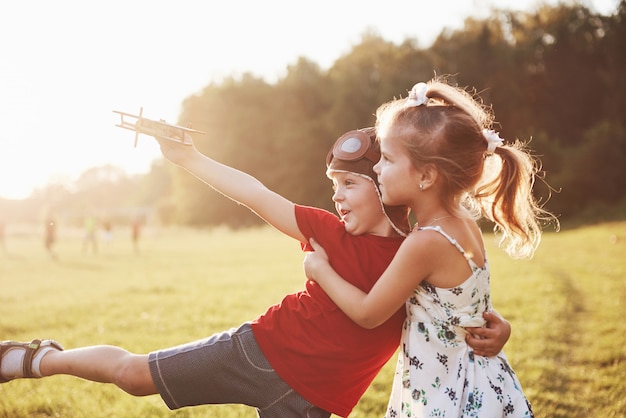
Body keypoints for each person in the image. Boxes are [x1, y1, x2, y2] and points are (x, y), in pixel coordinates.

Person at [0, 127, 511, 417]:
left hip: (318, 402)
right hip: (258, 351)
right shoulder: (325, 228)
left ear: (387, 182)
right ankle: (38, 359)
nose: (337, 195)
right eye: (334, 184)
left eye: (351, 183)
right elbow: (256, 193)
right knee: (135, 377)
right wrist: (190, 159)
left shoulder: (414, 252)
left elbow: (453, 302)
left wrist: (496, 324)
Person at [303, 78, 558, 417]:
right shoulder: (461, 224)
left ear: (426, 177)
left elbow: (368, 313)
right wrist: (502, 326)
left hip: (449, 394)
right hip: (484, 381)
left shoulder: (424, 243)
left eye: (389, 160)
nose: (377, 167)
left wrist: (319, 269)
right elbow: (465, 305)